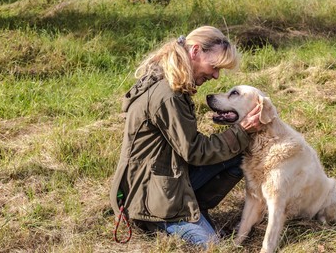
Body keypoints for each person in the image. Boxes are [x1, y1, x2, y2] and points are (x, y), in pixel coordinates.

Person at [109, 26, 262, 248]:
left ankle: (196, 205)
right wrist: (240, 131)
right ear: (196, 51)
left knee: (240, 155)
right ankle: (156, 222)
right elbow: (194, 151)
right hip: (150, 196)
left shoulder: (171, 80)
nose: (216, 75)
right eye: (215, 66)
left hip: (169, 176)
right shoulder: (168, 95)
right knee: (213, 246)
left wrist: (239, 138)